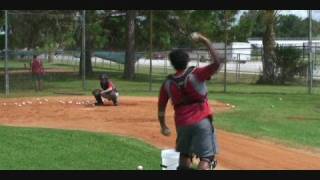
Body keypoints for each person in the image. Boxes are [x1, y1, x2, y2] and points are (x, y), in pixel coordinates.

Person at [157, 32, 222, 170]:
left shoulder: (167, 83)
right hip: (201, 120)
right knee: (206, 157)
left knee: (185, 155)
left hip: (181, 123)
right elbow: (217, 63)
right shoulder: (196, 74)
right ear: (187, 60)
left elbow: (161, 109)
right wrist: (205, 40)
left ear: (173, 64)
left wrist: (163, 126)